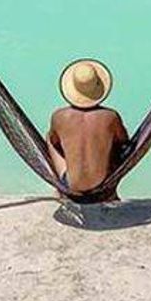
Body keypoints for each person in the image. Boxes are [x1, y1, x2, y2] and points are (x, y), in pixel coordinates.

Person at [47, 59, 129, 202]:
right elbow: (124, 141)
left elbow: (54, 142)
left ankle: (61, 188)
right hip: (104, 183)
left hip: (72, 185)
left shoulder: (59, 116)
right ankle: (112, 192)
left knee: (49, 138)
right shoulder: (111, 116)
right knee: (115, 145)